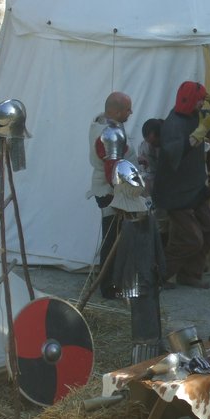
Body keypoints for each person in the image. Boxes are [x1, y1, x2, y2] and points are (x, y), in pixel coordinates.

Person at [153, 81, 210, 289]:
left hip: (194, 186)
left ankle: (190, 273)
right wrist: (198, 134)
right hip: (175, 191)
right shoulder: (173, 123)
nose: (201, 104)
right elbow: (173, 154)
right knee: (190, 239)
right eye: (199, 100)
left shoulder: (197, 115)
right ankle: (157, 276)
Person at [109, 160, 166, 364]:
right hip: (146, 279)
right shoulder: (147, 221)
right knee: (147, 320)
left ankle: (144, 361)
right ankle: (149, 357)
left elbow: (123, 258)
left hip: (137, 280)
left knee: (144, 324)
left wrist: (116, 281)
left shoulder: (130, 227)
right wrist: (162, 273)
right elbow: (158, 250)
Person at [87, 91, 132, 299]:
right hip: (108, 189)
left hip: (108, 187)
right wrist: (121, 191)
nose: (130, 113)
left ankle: (111, 282)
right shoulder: (108, 132)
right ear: (115, 110)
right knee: (112, 239)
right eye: (126, 109)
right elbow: (111, 167)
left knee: (113, 236)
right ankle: (108, 286)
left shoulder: (105, 124)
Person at [137, 118, 163, 196]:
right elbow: (146, 173)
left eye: (153, 142)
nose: (151, 145)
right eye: (148, 142)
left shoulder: (172, 144)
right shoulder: (144, 147)